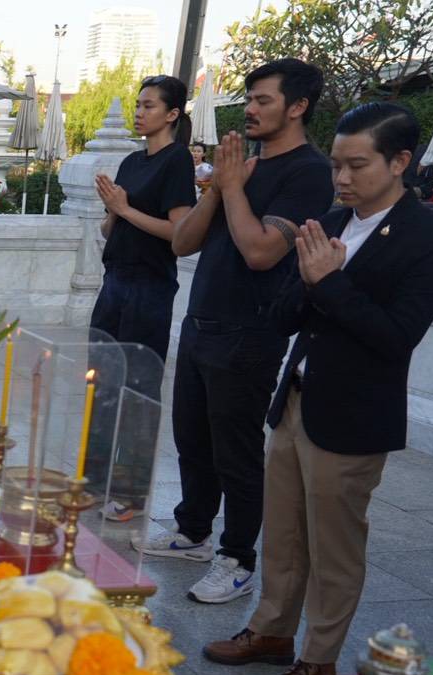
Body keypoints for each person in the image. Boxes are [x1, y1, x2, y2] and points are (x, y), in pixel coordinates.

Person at [203, 102, 433, 675]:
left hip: (353, 413)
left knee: (334, 545)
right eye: (337, 164)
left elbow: (396, 336)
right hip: (295, 399)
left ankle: (319, 658)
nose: (342, 177)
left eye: (357, 165)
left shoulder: (428, 236)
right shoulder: (333, 220)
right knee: (284, 532)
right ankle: (271, 631)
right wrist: (309, 279)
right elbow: (283, 314)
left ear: (399, 162)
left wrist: (330, 283)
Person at [135, 58, 335, 603]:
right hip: (201, 320)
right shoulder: (241, 169)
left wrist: (231, 188)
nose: (249, 109)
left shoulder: (308, 173)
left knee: (236, 452)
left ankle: (238, 558)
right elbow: (182, 242)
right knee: (192, 439)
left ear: (297, 107)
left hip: (251, 331)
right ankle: (193, 531)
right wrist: (218, 191)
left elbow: (261, 251)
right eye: (248, 98)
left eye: (263, 100)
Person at [86, 75, 198, 522]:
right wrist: (114, 211)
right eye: (138, 104)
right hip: (114, 280)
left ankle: (130, 494)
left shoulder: (177, 161)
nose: (139, 112)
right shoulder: (132, 161)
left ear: (172, 114)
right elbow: (108, 227)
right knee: (101, 383)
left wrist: (126, 208)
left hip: (149, 287)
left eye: (149, 106)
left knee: (138, 391)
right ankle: (93, 481)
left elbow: (179, 233)